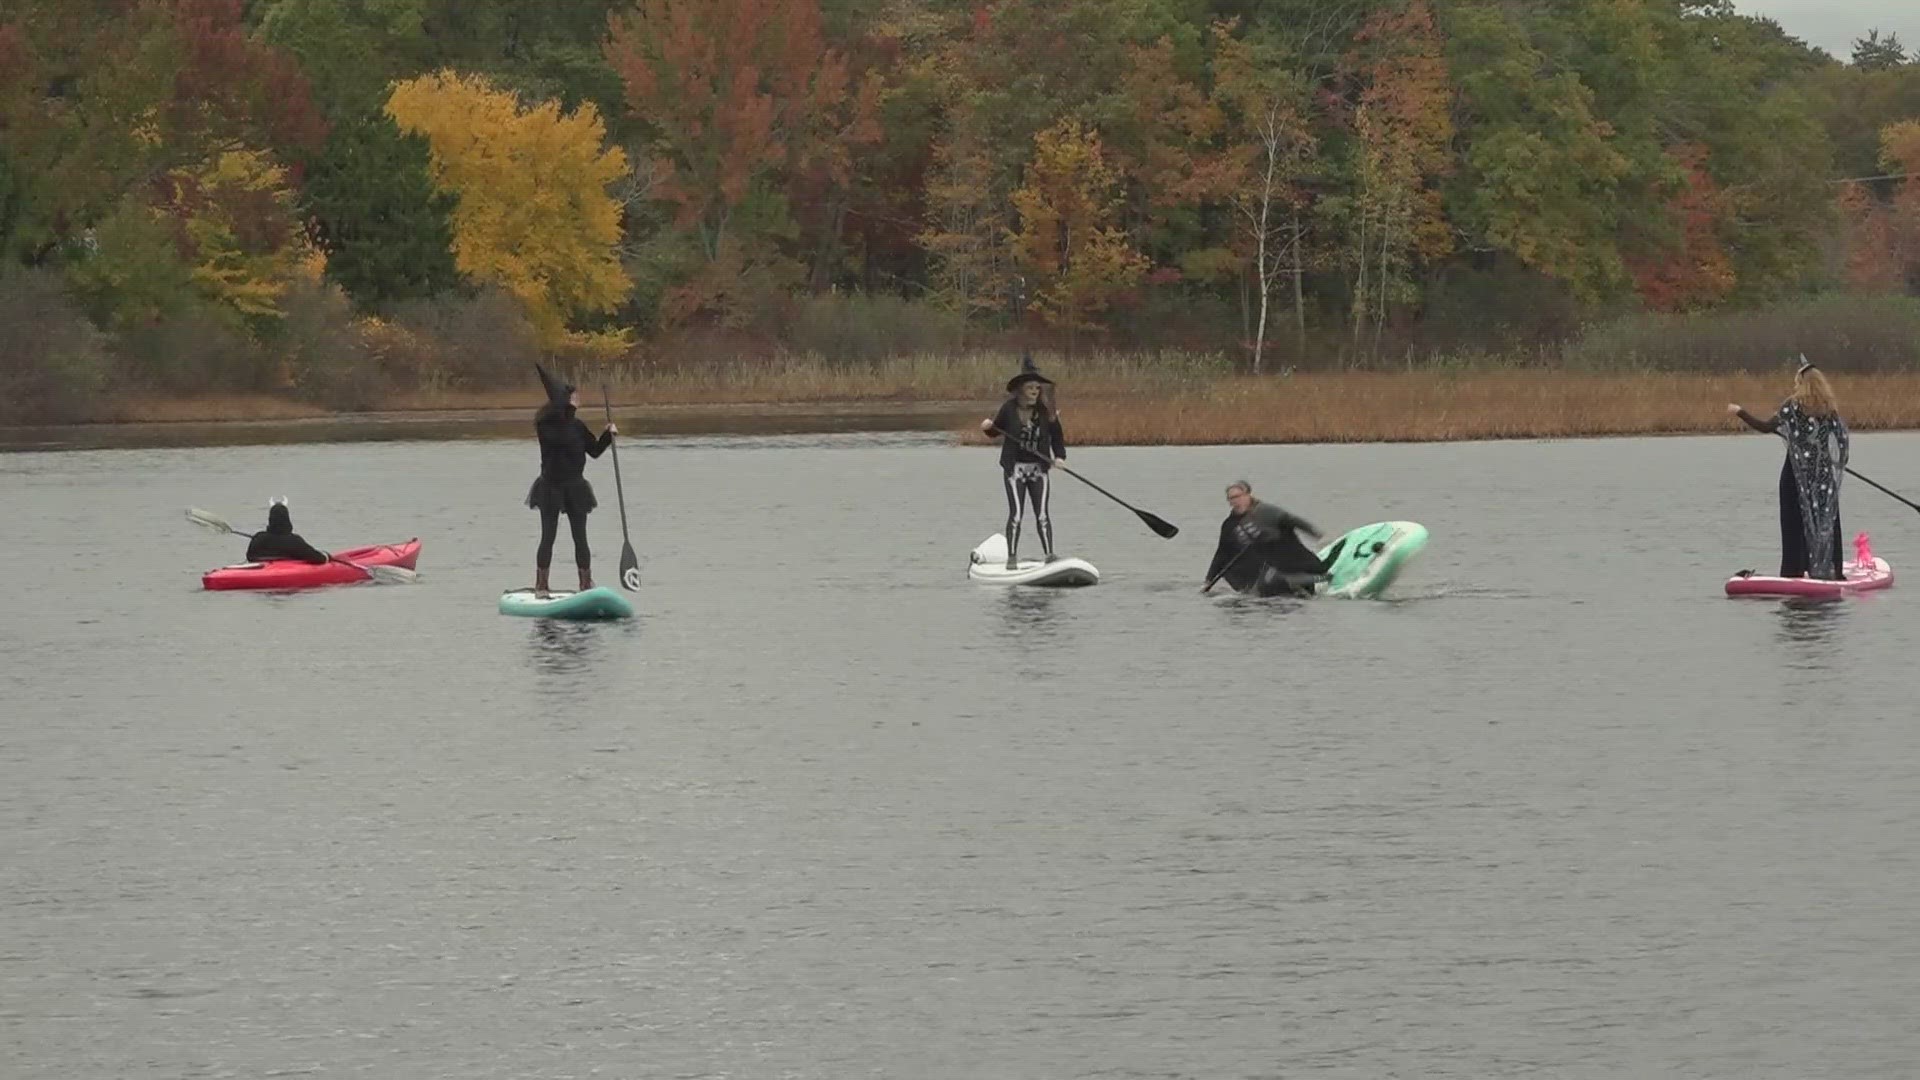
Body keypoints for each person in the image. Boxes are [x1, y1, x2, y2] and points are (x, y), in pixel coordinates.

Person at [1728, 356, 1848, 580]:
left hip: (1795, 476)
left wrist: (1739, 411)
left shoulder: (1791, 407)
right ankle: (1832, 570)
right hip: (1822, 478)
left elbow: (1765, 427)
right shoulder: (1829, 410)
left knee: (1793, 522)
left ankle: (1793, 570)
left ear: (1801, 383)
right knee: (1826, 521)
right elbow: (1842, 445)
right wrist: (1836, 462)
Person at [526, 363, 615, 597]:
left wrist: (608, 436)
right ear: (564, 400)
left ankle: (585, 583)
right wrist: (563, 411)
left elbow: (594, 451)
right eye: (574, 396)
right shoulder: (546, 426)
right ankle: (541, 585)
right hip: (550, 487)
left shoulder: (577, 426)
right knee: (549, 536)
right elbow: (560, 439)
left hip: (575, 487)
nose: (579, 399)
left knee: (580, 537)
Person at [980, 353, 1067, 569]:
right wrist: (987, 428)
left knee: (1042, 514)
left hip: (1039, 469)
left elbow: (1057, 436)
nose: (1035, 393)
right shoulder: (1009, 409)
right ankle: (1012, 558)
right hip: (1015, 469)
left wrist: (1059, 457)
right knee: (1017, 514)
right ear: (1020, 391)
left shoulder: (1045, 412)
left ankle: (1049, 555)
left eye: (1037, 390)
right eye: (1030, 389)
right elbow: (995, 430)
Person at [1203, 481, 1346, 597]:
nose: (1235, 501)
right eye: (1231, 498)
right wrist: (1209, 580)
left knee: (1313, 575)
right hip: (1272, 567)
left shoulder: (1266, 511)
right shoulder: (1230, 525)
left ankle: (1324, 579)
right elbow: (1222, 553)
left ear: (1248, 495)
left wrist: (1318, 535)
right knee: (1273, 582)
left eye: (1238, 496)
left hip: (1293, 556)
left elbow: (1294, 521)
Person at [246, 498, 329, 565]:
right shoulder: (294, 541)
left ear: (270, 520)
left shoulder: (258, 537)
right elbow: (318, 559)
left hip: (262, 570)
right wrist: (326, 557)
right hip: (278, 572)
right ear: (287, 520)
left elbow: (249, 556)